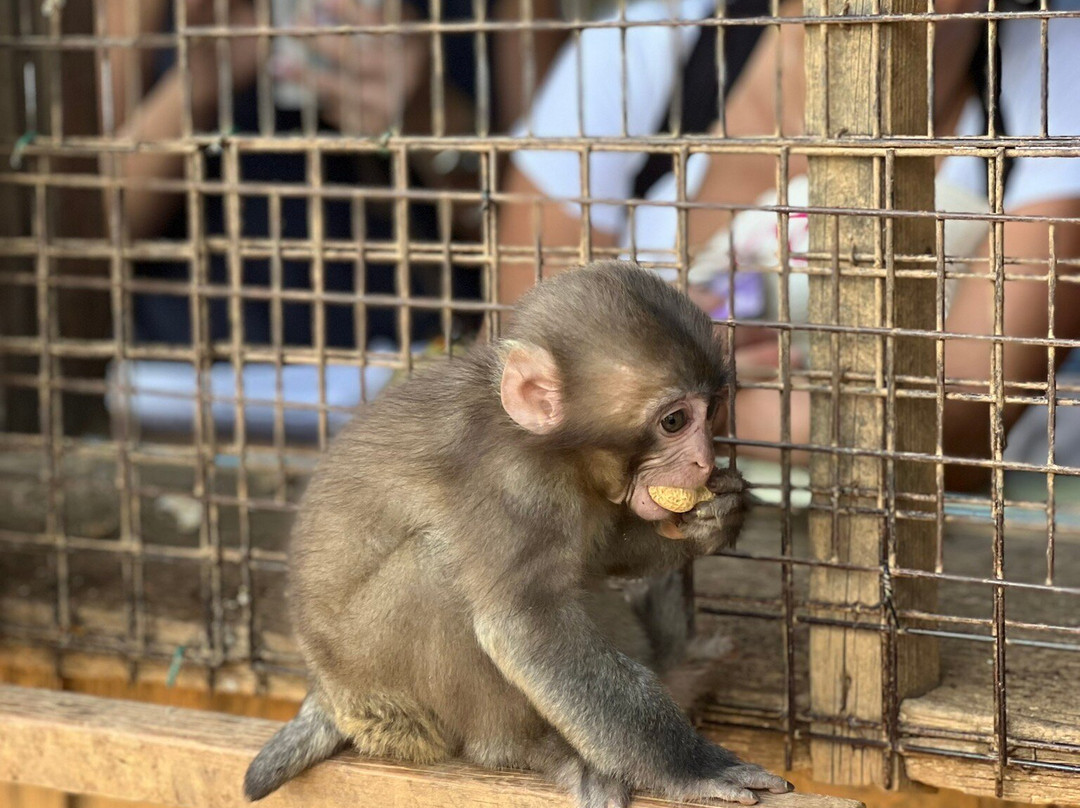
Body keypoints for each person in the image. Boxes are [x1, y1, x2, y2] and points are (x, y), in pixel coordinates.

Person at [497, 0, 1080, 490]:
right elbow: (518, 367)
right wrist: (720, 390)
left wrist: (654, 388)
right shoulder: (649, 43)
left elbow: (958, 430)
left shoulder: (1059, 66)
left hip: (953, 542)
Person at [101, 0, 565, 437]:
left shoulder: (515, 11)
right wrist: (194, 87)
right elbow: (89, 229)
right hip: (190, 387)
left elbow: (548, 236)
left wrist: (427, 115)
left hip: (415, 388)